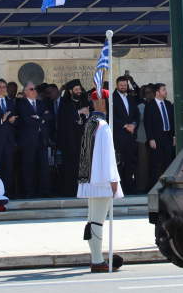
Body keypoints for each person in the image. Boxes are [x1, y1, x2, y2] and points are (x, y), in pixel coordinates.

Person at [79, 91, 124, 272]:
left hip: (90, 178)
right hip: (102, 180)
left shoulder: (90, 123)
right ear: (104, 103)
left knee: (92, 221)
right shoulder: (103, 125)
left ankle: (96, 258)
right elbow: (108, 156)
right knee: (97, 221)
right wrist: (114, 179)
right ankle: (97, 261)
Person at [17, 82, 53, 198]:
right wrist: (42, 118)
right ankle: (30, 190)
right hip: (28, 139)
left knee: (44, 165)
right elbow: (26, 120)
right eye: (31, 89)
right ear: (25, 92)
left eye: (35, 88)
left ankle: (45, 190)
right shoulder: (21, 104)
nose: (34, 91)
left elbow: (50, 116)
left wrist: (38, 117)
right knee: (29, 166)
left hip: (41, 138)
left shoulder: (41, 103)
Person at [58, 79, 91, 197]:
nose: (78, 91)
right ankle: (71, 191)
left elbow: (92, 118)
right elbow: (62, 120)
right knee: (71, 168)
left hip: (83, 142)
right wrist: (77, 113)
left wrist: (88, 114)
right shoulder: (64, 103)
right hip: (70, 143)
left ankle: (85, 192)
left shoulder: (86, 102)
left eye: (79, 89)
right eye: (76, 89)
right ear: (70, 91)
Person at [144, 83, 175, 191]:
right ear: (157, 93)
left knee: (168, 160)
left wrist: (174, 137)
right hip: (156, 138)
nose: (165, 91)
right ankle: (153, 185)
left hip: (167, 136)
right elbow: (147, 124)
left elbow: (172, 121)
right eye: (163, 90)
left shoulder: (168, 104)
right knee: (154, 161)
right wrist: (151, 139)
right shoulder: (150, 105)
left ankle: (168, 185)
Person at [112, 76, 140, 194]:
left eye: (125, 85)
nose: (123, 87)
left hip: (131, 135)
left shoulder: (131, 98)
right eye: (121, 85)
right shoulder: (112, 98)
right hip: (119, 135)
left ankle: (129, 187)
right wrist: (125, 125)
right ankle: (118, 188)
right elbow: (112, 115)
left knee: (129, 161)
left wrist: (133, 124)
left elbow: (137, 114)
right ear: (117, 85)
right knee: (118, 162)